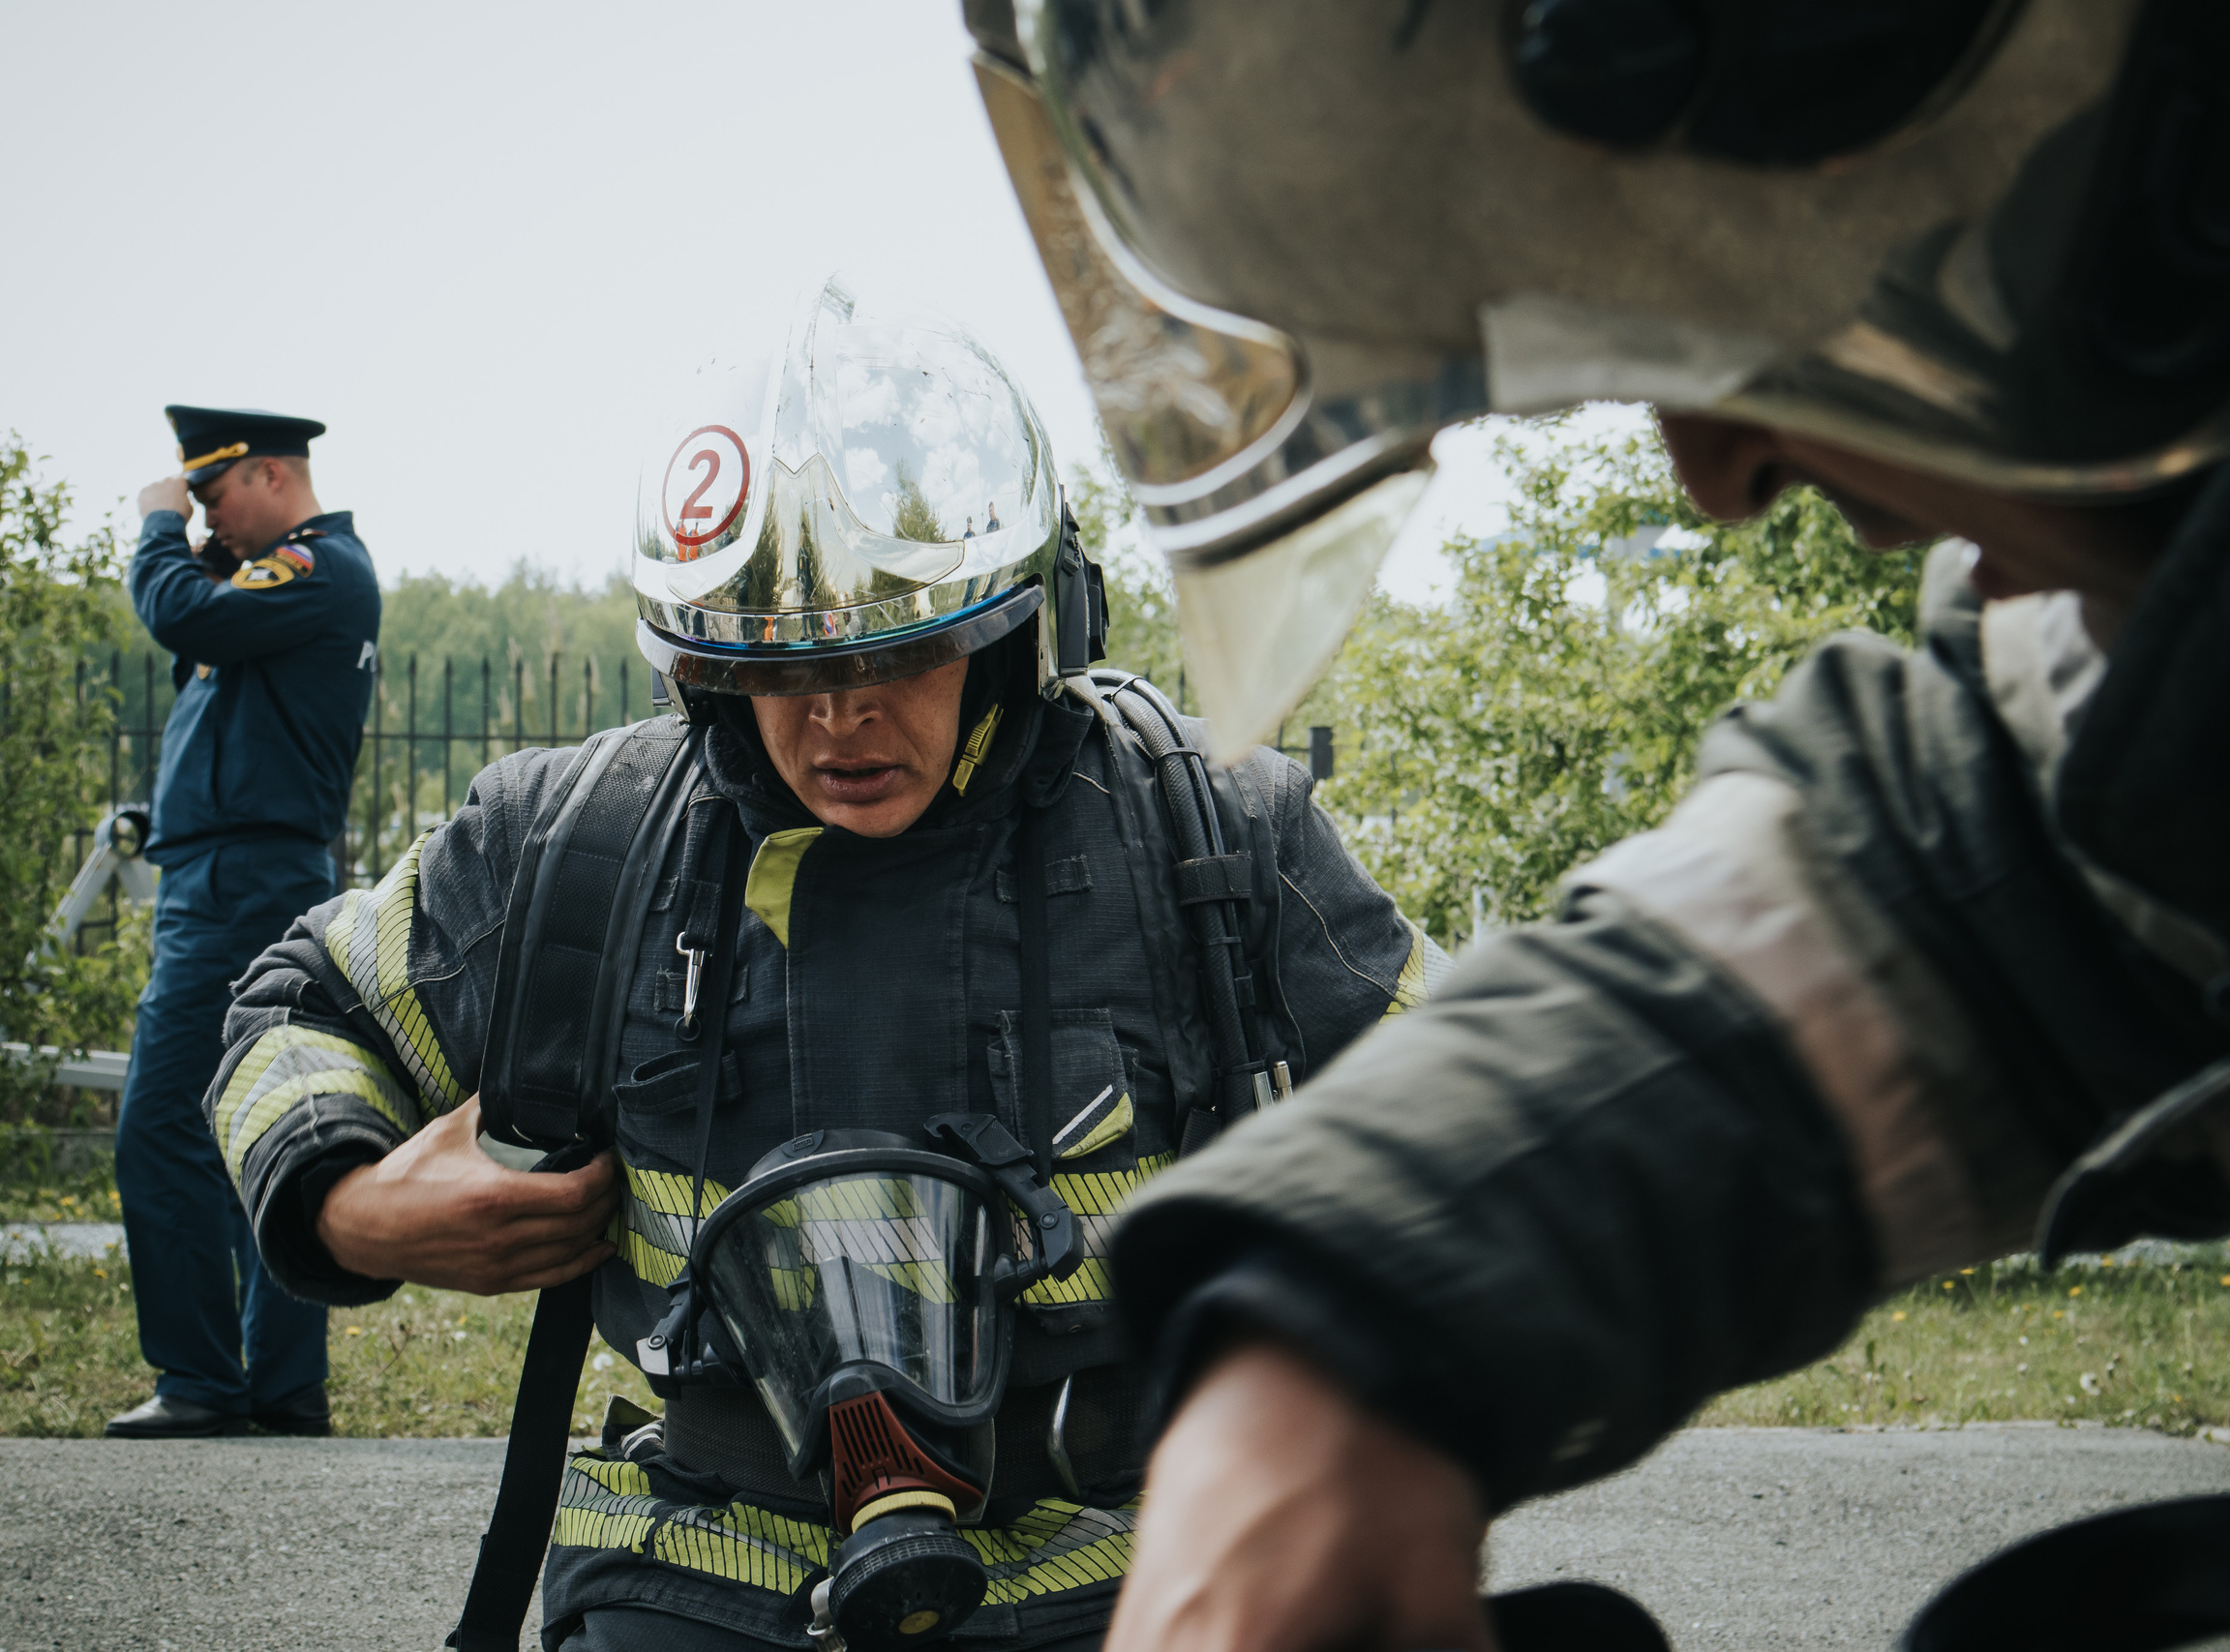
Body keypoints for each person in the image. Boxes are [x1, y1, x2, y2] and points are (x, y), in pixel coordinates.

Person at [958, 3, 2230, 1646]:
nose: (1715, 467)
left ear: (2182, 145)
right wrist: (1335, 1322)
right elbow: (1963, 867)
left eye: (1735, 308)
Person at [205, 286, 1444, 1651]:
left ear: (1025, 621)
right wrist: (350, 1207)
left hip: (1135, 1562)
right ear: (699, 665)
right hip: (701, 1562)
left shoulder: (1206, 834)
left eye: (902, 651)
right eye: (777, 667)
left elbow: (1454, 1120)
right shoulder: (576, 842)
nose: (839, 719)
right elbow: (294, 1009)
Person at [105, 406, 378, 1440]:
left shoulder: (319, 570)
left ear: (269, 475)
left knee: (163, 1126)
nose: (205, 514)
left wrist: (158, 529)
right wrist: (214, 556)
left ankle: (204, 1379)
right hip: (224, 877)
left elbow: (184, 619)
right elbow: (210, 656)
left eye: (215, 495)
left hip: (242, 884)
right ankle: (275, 1385)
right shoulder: (266, 585)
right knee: (247, 1126)